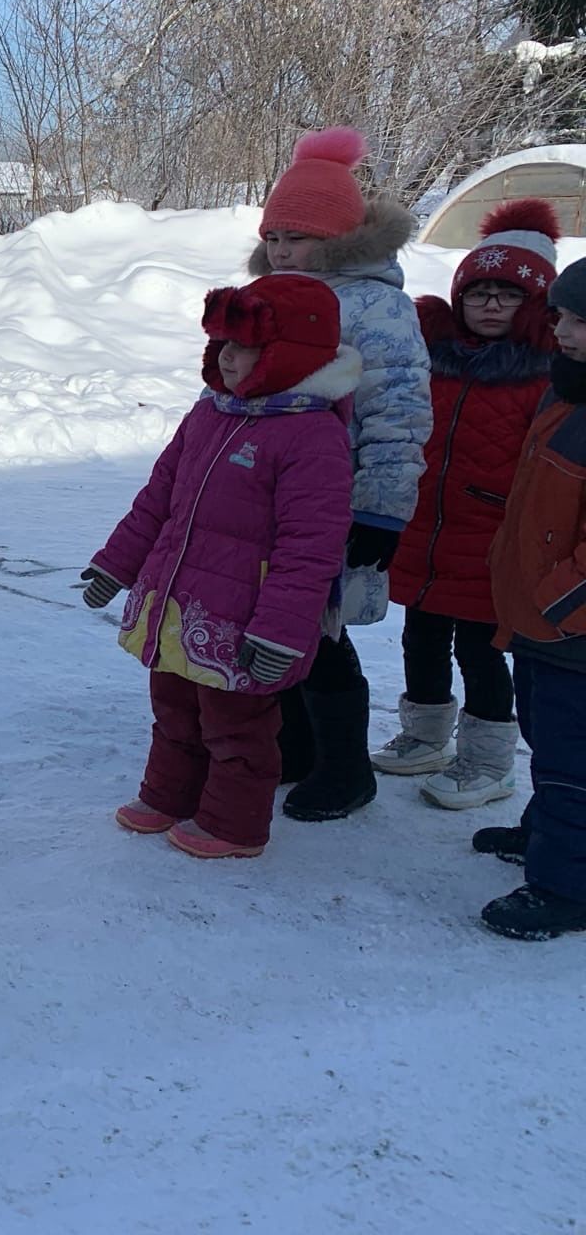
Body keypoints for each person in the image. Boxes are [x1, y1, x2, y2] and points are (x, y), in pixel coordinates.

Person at [82, 277, 356, 858]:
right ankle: (169, 796)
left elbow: (311, 547)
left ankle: (234, 825)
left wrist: (282, 629)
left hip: (245, 616)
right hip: (179, 604)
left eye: (242, 345)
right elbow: (158, 497)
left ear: (290, 356)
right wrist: (116, 565)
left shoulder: (312, 436)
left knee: (237, 726)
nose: (224, 357)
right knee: (174, 709)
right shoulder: (209, 413)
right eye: (220, 343)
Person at [249, 127, 432, 823]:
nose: (282, 248)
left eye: (298, 236)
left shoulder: (376, 308)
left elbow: (399, 415)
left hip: (334, 503)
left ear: (339, 239)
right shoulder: (267, 296)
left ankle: (347, 770)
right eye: (275, 234)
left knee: (322, 633)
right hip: (264, 498)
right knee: (275, 621)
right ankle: (295, 749)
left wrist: (381, 513)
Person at [379, 199, 558, 810]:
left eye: (505, 295)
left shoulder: (545, 376)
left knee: (481, 653)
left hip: (492, 542)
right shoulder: (436, 361)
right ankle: (425, 738)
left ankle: (487, 762)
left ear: (534, 306)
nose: (487, 305)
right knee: (420, 638)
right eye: (477, 292)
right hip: (427, 533)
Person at [471, 260, 586, 940]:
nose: (560, 331)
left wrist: (555, 603)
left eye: (577, 322)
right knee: (545, 741)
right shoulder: (565, 392)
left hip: (572, 630)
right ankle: (547, 831)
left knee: (575, 761)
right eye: (561, 317)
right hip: (542, 625)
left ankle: (565, 887)